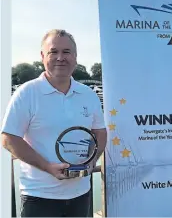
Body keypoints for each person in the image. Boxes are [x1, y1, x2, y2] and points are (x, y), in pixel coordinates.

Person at [1, 29, 107, 217]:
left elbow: (100, 132)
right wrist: (47, 167)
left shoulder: (88, 95)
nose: (60, 58)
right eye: (53, 52)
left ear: (75, 57)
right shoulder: (26, 93)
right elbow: (8, 138)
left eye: (66, 52)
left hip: (81, 194)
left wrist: (92, 160)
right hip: (39, 196)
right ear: (43, 56)